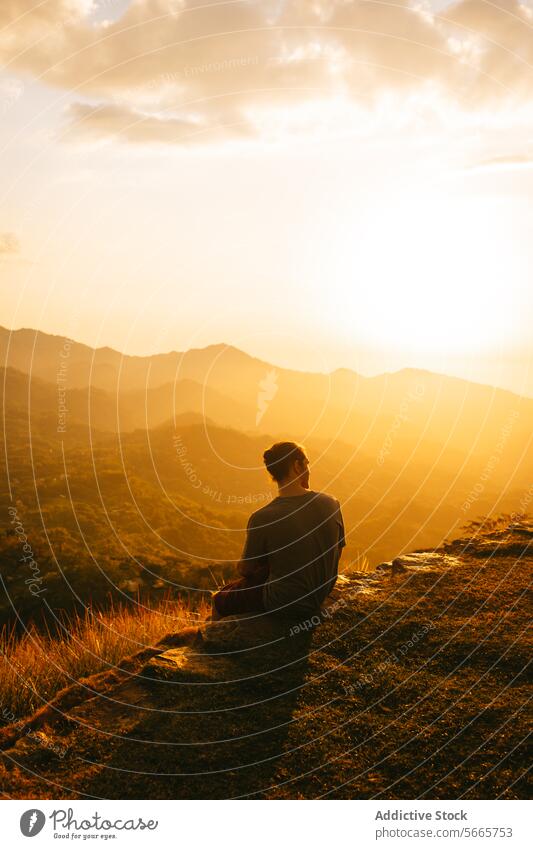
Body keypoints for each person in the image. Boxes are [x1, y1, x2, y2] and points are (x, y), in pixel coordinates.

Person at [211, 441, 345, 620]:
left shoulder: (262, 517)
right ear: (297, 466)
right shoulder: (331, 503)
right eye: (307, 464)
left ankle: (213, 642)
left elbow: (246, 570)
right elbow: (338, 549)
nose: (309, 470)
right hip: (321, 593)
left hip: (284, 601)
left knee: (220, 599)